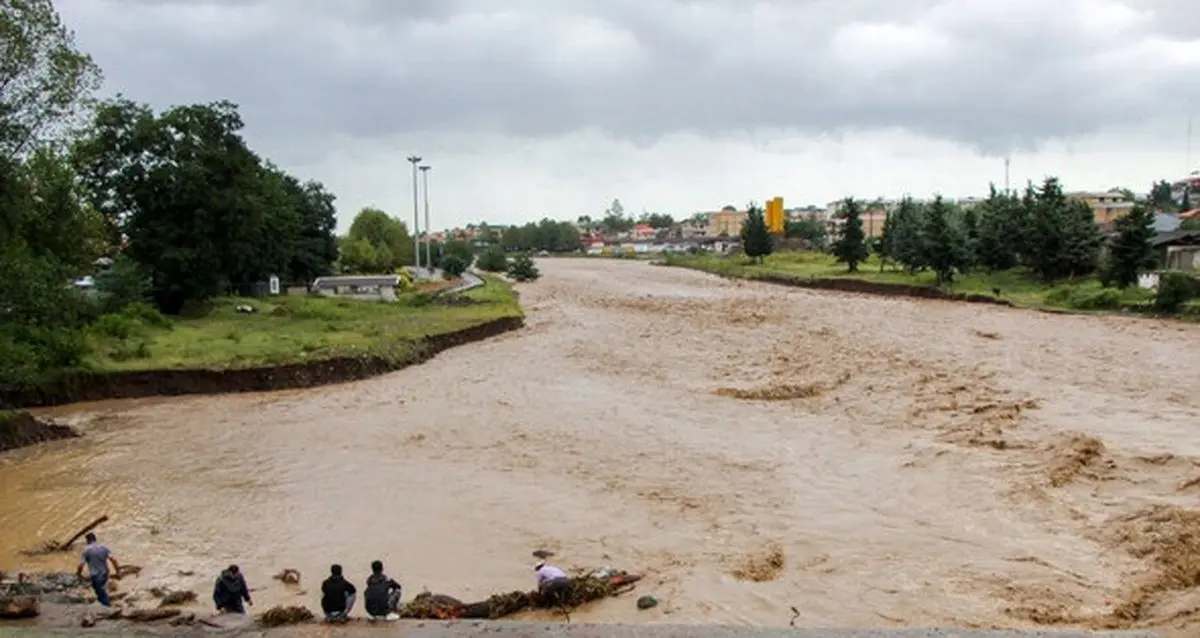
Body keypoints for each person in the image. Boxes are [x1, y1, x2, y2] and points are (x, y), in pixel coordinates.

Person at [75, 533, 120, 607]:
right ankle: (105, 603)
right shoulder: (104, 547)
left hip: (96, 575)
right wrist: (118, 572)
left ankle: (108, 607)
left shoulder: (87, 550)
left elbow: (81, 565)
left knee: (100, 592)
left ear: (87, 541)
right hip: (105, 573)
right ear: (95, 539)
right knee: (100, 590)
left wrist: (79, 574)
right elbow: (114, 560)